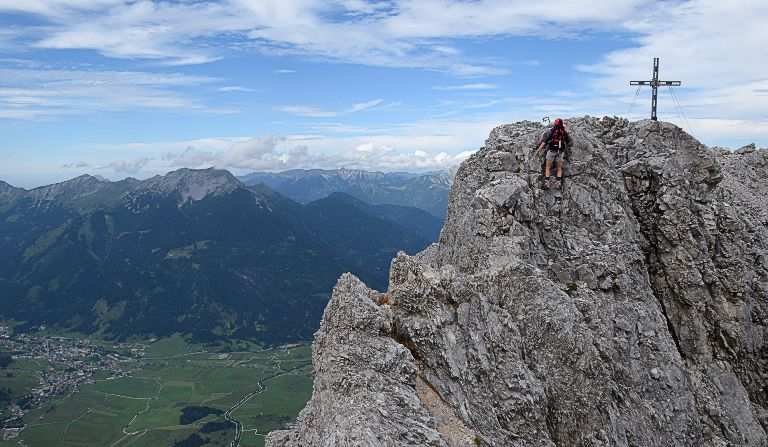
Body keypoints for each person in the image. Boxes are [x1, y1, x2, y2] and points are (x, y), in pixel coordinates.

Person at [533, 118, 572, 189]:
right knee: (559, 168)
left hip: (551, 151)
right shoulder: (564, 132)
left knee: (547, 168)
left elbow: (544, 142)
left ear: (555, 124)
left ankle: (547, 184)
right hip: (560, 152)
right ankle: (558, 184)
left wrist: (538, 150)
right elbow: (569, 142)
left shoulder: (551, 131)